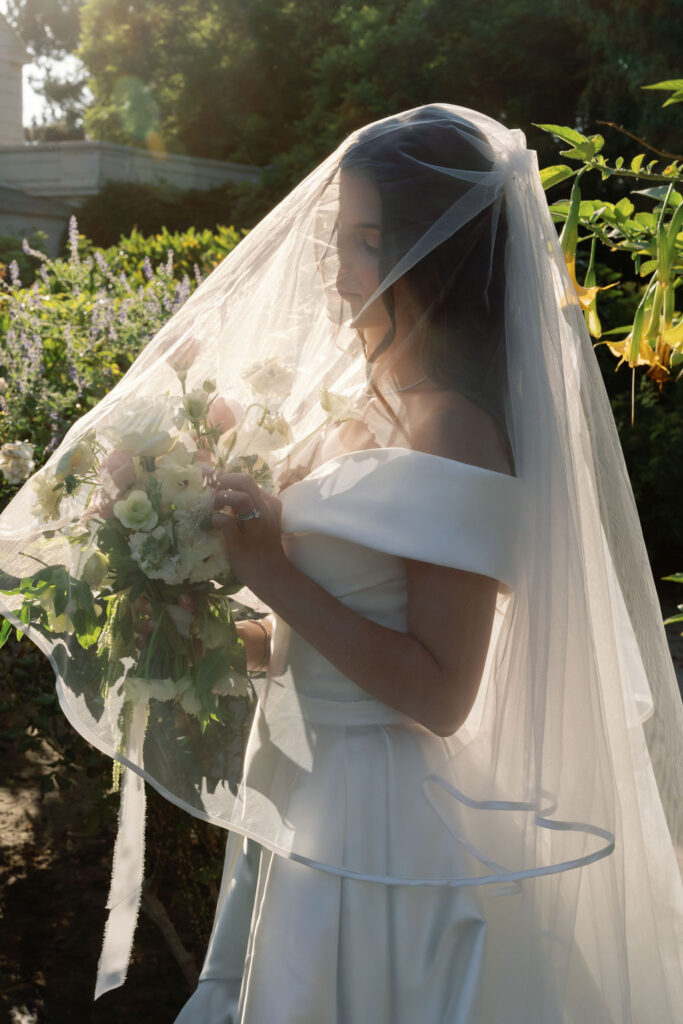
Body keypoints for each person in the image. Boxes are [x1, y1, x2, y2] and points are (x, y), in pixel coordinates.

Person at [0, 105, 681, 1022]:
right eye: (335, 238)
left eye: (363, 242)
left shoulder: (457, 432)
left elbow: (440, 691)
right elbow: (311, 635)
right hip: (299, 783)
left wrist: (271, 570)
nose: (332, 267)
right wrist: (202, 634)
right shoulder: (345, 410)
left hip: (379, 817)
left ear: (428, 259)